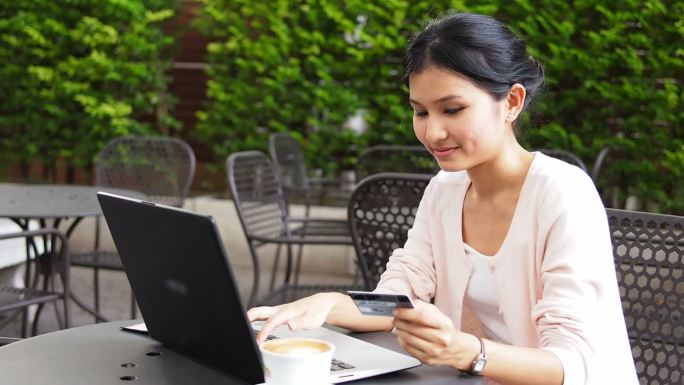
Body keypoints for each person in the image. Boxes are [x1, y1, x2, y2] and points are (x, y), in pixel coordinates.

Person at [249, 12, 638, 385]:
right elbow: (399, 299)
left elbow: (572, 365)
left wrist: (466, 352)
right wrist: (328, 304)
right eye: (420, 112)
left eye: (453, 109)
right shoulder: (445, 189)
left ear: (512, 102)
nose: (433, 132)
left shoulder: (562, 193)